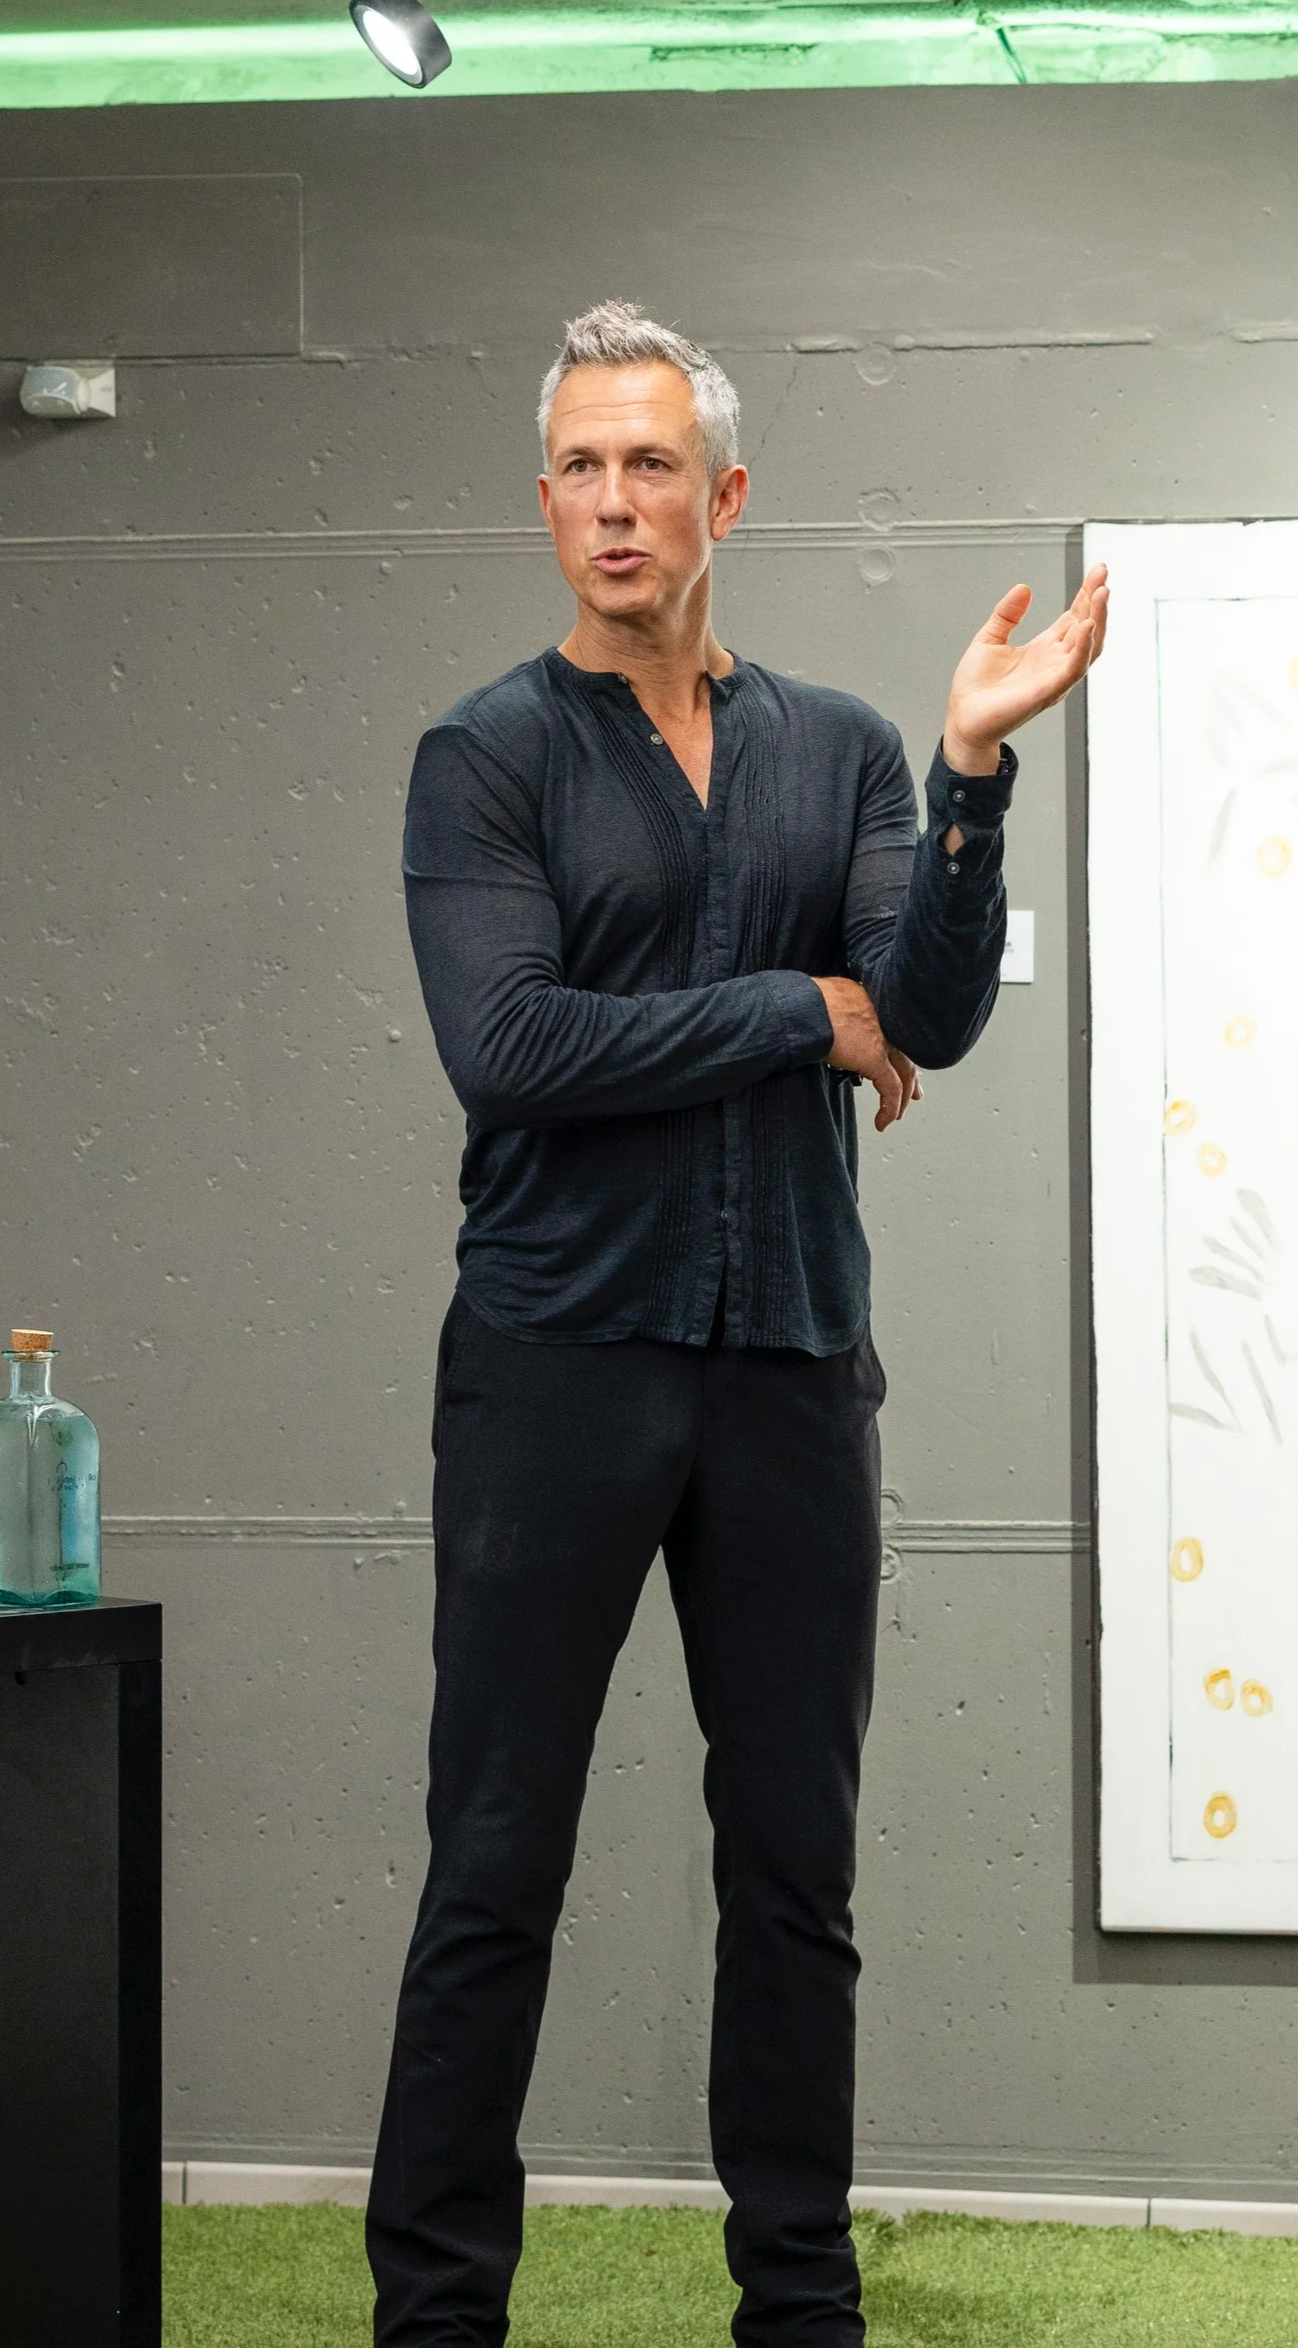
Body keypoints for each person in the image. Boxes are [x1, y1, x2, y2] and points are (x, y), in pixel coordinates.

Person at [365, 298, 1108, 2348]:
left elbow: (932, 1007)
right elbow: (510, 1045)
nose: (617, 503)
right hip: (553, 1366)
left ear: (724, 495)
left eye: (653, 465)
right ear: (546, 503)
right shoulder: (484, 757)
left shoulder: (842, 751)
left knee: (796, 1869)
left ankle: (798, 2309)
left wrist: (967, 770)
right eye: (583, 470)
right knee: (492, 1865)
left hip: (789, 1363)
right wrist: (798, 1010)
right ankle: (434, 2318)